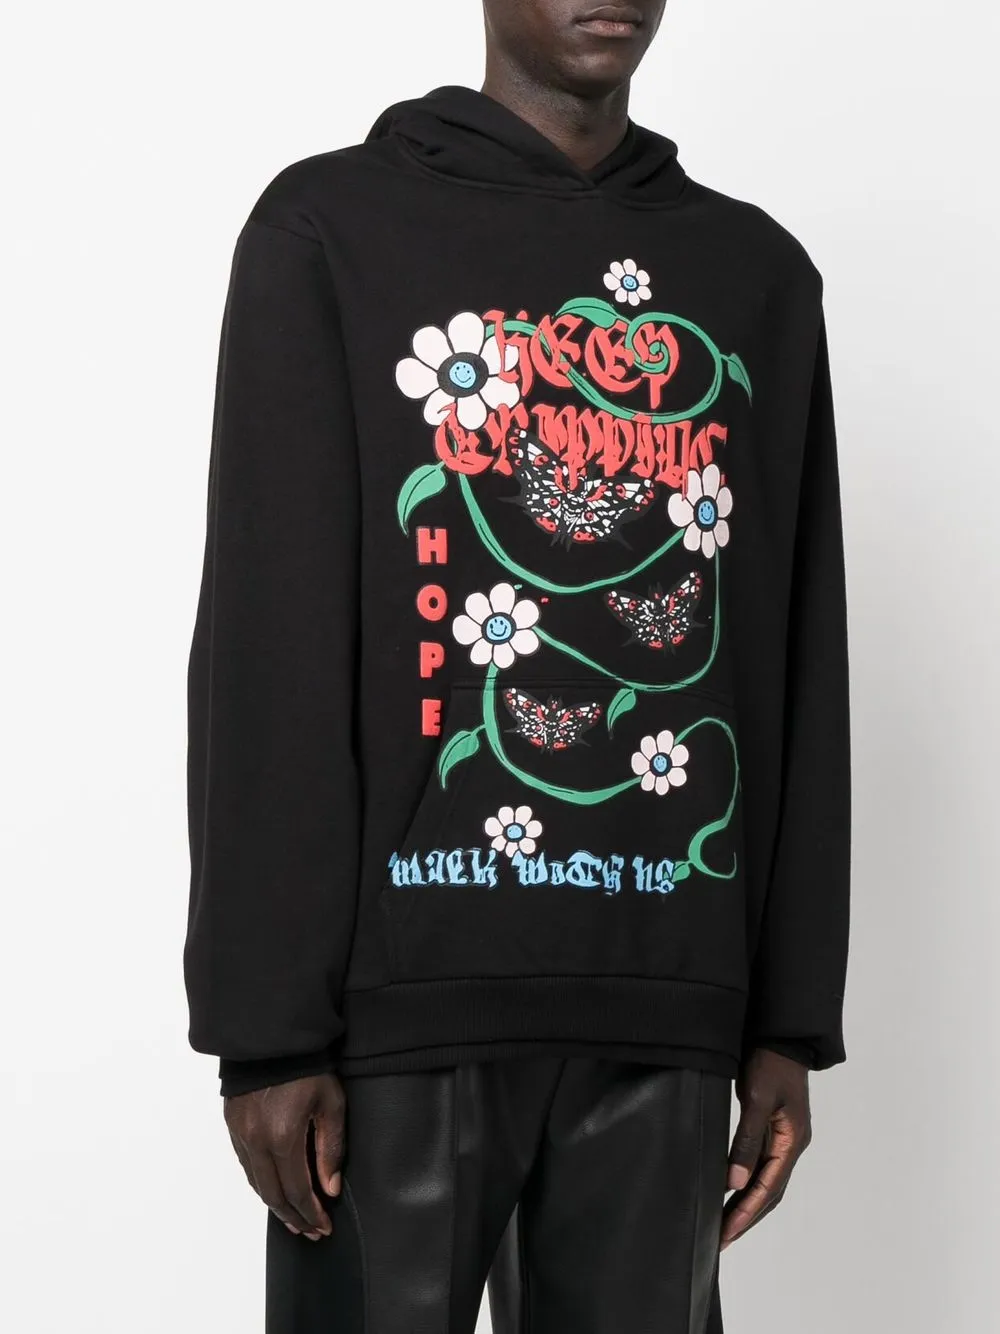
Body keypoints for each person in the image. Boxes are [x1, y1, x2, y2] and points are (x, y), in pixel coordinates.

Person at [184, 1, 852, 1329]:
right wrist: (265, 1027)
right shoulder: (330, 231)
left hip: (665, 989)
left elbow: (793, 643)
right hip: (396, 1013)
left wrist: (788, 1016)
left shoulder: (754, 274)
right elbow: (271, 634)